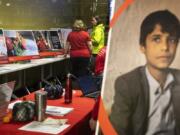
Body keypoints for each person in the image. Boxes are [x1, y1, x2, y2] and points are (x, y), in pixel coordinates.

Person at [110, 10, 180, 135]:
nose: (165, 47)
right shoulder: (128, 84)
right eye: (157, 39)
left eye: (172, 40)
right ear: (142, 46)